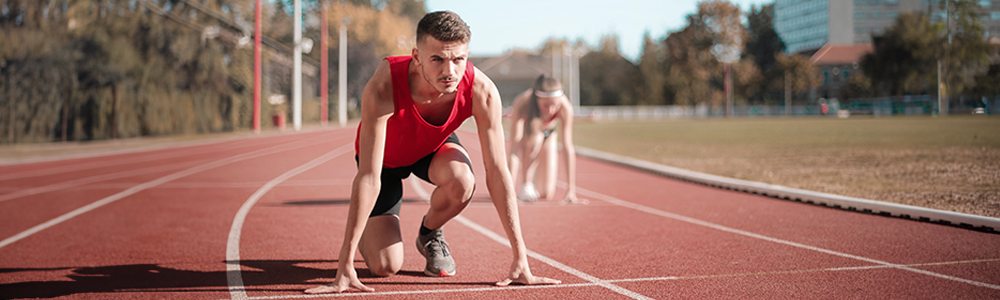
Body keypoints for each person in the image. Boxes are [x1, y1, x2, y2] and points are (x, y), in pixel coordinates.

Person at [305, 11, 561, 294]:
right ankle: (368, 229)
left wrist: (520, 258)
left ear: (467, 55)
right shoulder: (384, 85)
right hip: (385, 162)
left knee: (463, 181)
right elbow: (368, 176)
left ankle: (429, 234)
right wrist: (344, 264)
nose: (449, 71)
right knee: (385, 267)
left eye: (458, 59)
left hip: (431, 148)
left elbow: (498, 172)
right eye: (437, 59)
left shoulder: (482, 91)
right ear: (417, 57)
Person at [507, 75, 586, 204]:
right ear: (537, 100)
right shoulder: (522, 103)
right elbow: (514, 150)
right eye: (545, 105)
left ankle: (536, 181)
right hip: (530, 136)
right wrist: (508, 191)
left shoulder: (565, 107)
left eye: (555, 105)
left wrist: (571, 190)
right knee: (535, 140)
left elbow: (568, 148)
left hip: (549, 134)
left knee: (546, 193)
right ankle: (526, 184)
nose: (551, 110)